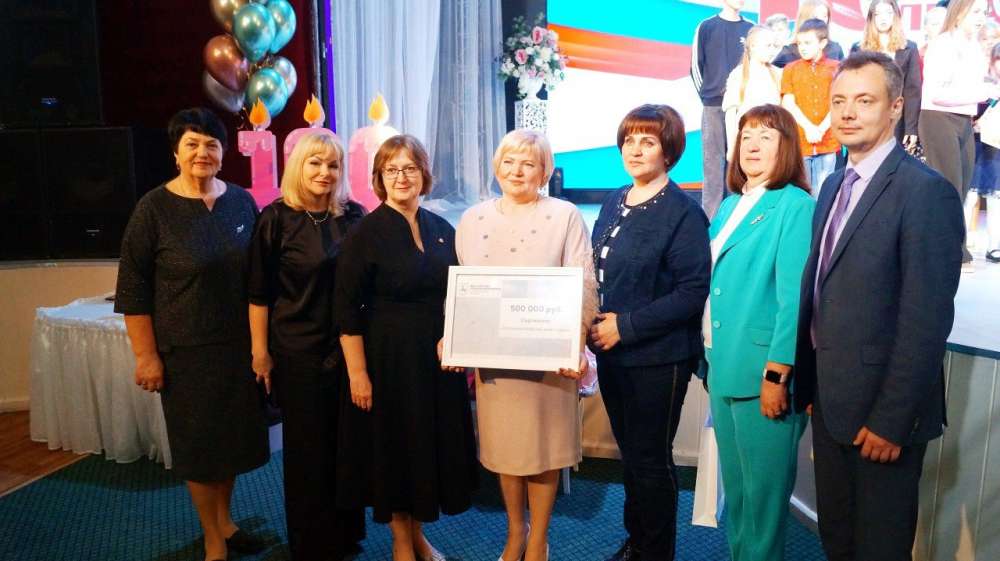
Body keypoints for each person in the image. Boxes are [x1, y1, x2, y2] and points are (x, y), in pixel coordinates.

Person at [795, 51, 964, 561]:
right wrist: (813, 382)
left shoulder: (926, 192)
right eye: (839, 101)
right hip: (831, 403)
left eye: (864, 101)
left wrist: (892, 420)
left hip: (883, 417)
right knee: (838, 541)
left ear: (895, 107)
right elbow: (822, 292)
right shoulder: (832, 185)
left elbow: (926, 321)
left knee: (879, 548)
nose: (847, 112)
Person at [115, 107, 270, 561]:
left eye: (211, 144)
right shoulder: (153, 209)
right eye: (192, 144)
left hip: (237, 349)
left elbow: (259, 278)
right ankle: (213, 538)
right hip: (185, 354)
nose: (202, 152)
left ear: (223, 153)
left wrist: (262, 346)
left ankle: (226, 521)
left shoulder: (241, 201)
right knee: (200, 450)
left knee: (231, 445)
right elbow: (133, 290)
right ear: (176, 153)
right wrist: (146, 357)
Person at [454, 129, 598, 561]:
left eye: (529, 163)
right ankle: (516, 531)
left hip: (549, 360)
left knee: (544, 449)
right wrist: (456, 336)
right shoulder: (473, 218)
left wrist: (574, 344)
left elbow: (584, 282)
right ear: (496, 167)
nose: (517, 171)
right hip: (496, 361)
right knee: (506, 451)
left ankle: (539, 539)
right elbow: (464, 290)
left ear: (545, 172)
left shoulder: (564, 215)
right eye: (509, 162)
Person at [334, 134, 477, 561]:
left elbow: (462, 294)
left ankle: (419, 536)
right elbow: (345, 310)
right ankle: (401, 540)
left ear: (423, 175)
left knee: (424, 446)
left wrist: (456, 338)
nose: (402, 177)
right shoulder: (364, 233)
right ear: (379, 178)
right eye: (392, 170)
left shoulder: (442, 229)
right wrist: (358, 373)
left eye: (410, 168)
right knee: (396, 448)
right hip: (387, 360)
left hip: (436, 359)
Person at [590, 105, 711, 561]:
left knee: (651, 461)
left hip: (659, 359)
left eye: (648, 141)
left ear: (669, 151)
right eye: (629, 140)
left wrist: (626, 326)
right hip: (612, 354)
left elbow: (692, 291)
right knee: (632, 458)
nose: (635, 150)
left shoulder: (683, 213)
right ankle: (637, 542)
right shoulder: (615, 199)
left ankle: (655, 553)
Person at [247, 132, 366, 561]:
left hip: (349, 350)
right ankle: (312, 545)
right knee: (308, 453)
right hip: (297, 352)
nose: (324, 172)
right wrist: (260, 353)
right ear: (299, 166)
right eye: (315, 163)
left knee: (346, 446)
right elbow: (258, 294)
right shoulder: (276, 218)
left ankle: (346, 534)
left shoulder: (353, 215)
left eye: (333, 165)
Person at [704, 104, 814, 561]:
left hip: (762, 376)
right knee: (739, 499)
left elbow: (794, 301)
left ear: (786, 148)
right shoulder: (731, 205)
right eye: (747, 135)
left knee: (763, 508)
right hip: (723, 366)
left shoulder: (795, 206)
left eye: (767, 136)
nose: (752, 144)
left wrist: (776, 375)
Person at [920, 0, 994, 270]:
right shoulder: (943, 44)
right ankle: (953, 250)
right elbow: (937, 93)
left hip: (964, 119)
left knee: (961, 186)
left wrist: (987, 89)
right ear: (960, 11)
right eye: (975, 12)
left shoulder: (974, 46)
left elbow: (973, 85)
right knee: (949, 185)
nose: (980, 18)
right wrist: (983, 93)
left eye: (984, 12)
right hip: (938, 118)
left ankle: (946, 245)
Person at [691, 0, 754, 219]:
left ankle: (737, 217)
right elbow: (696, 66)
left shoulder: (750, 28)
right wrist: (708, 97)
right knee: (713, 166)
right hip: (714, 105)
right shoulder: (707, 26)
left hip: (742, 108)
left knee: (740, 163)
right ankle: (711, 222)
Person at [781, 19, 841, 199]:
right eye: (800, 43)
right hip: (801, 142)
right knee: (803, 192)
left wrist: (820, 129)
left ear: (822, 43)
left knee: (824, 194)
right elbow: (788, 103)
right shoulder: (791, 69)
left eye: (808, 43)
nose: (803, 47)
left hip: (828, 142)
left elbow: (839, 102)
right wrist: (809, 128)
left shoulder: (836, 68)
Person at [850, 0, 922, 147]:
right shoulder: (859, 48)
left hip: (896, 119)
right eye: (878, 14)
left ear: (895, 16)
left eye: (888, 13)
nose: (883, 18)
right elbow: (852, 87)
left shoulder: (909, 48)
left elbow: (912, 90)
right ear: (871, 18)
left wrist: (911, 128)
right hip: (866, 117)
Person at [722, 26, 783, 161]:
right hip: (748, 142)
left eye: (774, 46)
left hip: (772, 142)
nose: (772, 50)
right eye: (768, 45)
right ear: (753, 46)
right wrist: (732, 147)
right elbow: (730, 114)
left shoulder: (779, 74)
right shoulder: (738, 74)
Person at [971, 43, 1000, 263]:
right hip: (977, 145)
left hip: (997, 150)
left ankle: (995, 246)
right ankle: (962, 244)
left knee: (996, 196)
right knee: (969, 195)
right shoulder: (981, 83)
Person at [772, 0, 845, 68]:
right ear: (804, 18)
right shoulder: (788, 52)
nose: (821, 20)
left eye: (825, 16)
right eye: (815, 16)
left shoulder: (835, 48)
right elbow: (770, 71)